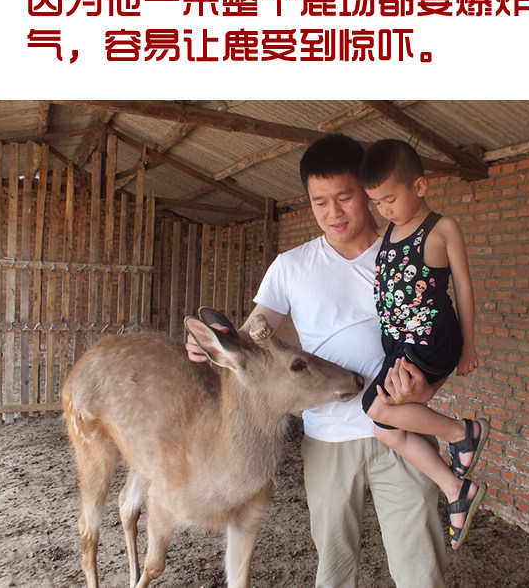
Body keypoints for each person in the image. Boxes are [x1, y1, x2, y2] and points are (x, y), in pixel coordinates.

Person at [187, 134, 447, 588]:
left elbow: (437, 336)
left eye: (344, 197)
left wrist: (429, 386)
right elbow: (251, 337)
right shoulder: (291, 266)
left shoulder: (406, 255)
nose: (333, 213)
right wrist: (208, 345)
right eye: (319, 202)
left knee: (421, 568)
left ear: (367, 192)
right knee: (334, 565)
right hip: (327, 439)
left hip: (403, 432)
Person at [359, 139, 489, 551]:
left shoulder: (442, 228)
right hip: (401, 345)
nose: (384, 209)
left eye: (390, 199)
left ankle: (462, 432)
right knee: (384, 427)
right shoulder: (388, 231)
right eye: (377, 203)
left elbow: (463, 288)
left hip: (432, 338)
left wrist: (468, 346)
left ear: (419, 186)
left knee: (377, 407)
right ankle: (456, 490)